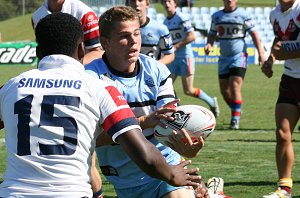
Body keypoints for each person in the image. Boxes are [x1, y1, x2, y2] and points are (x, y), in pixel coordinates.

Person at [0, 12, 201, 197]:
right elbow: (143, 152)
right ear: (81, 49)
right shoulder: (98, 87)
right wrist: (173, 176)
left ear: (37, 53)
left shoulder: (11, 87)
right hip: (72, 193)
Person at [85, 6, 206, 198]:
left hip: (164, 169)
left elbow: (168, 125)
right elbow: (89, 139)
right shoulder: (90, 78)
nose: (133, 41)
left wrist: (184, 146)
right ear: (105, 42)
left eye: (136, 33)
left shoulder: (157, 71)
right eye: (124, 36)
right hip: (125, 178)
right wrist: (142, 122)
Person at [204, 0, 266, 130]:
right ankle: (236, 109)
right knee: (224, 91)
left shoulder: (243, 15)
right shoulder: (217, 16)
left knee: (234, 86)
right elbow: (212, 33)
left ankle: (235, 120)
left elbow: (254, 34)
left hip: (239, 56)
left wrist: (261, 53)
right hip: (223, 58)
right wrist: (209, 43)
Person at [262, 0, 300, 197]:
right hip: (290, 79)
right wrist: (270, 61)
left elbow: (282, 50)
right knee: (282, 134)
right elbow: (278, 42)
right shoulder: (274, 14)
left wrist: (282, 54)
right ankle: (285, 189)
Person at [161, 0, 220, 118]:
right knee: (167, 87)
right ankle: (178, 112)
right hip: (172, 59)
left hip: (184, 58)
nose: (167, 4)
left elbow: (192, 36)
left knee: (188, 90)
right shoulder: (165, 22)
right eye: (164, 2)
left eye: (169, 1)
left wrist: (176, 46)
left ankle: (211, 102)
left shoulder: (181, 18)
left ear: (175, 4)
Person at [32, 0, 103, 65]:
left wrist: (68, 67)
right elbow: (41, 55)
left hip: (80, 73)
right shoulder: (36, 16)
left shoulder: (84, 13)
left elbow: (97, 53)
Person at [126, 0, 175, 65]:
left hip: (151, 74)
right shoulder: (121, 30)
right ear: (127, 5)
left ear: (147, 4)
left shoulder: (160, 29)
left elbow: (170, 55)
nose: (137, 4)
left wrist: (153, 67)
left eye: (140, 0)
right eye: (133, 1)